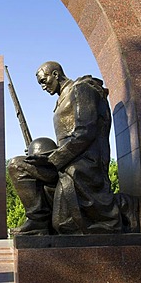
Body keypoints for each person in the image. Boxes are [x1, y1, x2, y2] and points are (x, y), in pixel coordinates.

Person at [8, 61, 122, 235]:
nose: (42, 86)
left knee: (64, 224)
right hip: (64, 162)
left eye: (43, 80)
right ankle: (37, 221)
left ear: (55, 74)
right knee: (17, 165)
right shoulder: (60, 101)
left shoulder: (82, 88)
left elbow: (85, 132)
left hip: (83, 165)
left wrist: (52, 159)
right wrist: (42, 155)